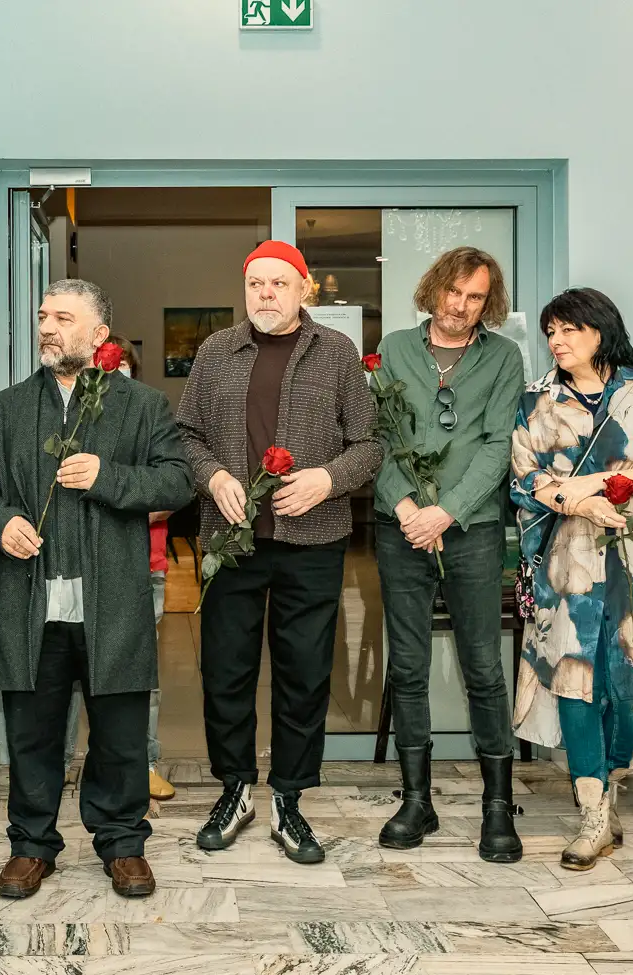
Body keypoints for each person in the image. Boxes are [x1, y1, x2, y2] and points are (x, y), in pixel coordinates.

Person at [0, 280, 191, 899]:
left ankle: (123, 843)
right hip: (29, 598)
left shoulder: (141, 406)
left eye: (63, 318)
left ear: (99, 335)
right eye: (43, 316)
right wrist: (1, 522)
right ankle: (31, 846)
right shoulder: (8, 406)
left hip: (113, 600)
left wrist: (108, 476)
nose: (47, 327)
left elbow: (176, 482)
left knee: (119, 732)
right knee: (32, 731)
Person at [175, 241, 380, 864]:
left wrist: (328, 479)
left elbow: (369, 444)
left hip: (311, 542)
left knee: (304, 672)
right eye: (255, 283)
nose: (265, 294)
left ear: (303, 289)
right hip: (231, 541)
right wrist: (212, 476)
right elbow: (185, 435)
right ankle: (235, 789)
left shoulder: (336, 353)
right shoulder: (216, 351)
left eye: (278, 283)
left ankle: (289, 798)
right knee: (226, 670)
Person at [510, 288, 633, 871]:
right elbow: (524, 479)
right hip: (568, 564)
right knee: (574, 678)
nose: (557, 342)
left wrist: (604, 485)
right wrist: (578, 502)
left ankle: (610, 778)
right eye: (551, 333)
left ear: (600, 330)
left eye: (568, 330)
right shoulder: (538, 399)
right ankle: (592, 811)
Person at [371, 247, 526, 860]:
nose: (460, 306)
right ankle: (417, 801)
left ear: (489, 303)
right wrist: (408, 508)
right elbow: (377, 437)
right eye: (453, 292)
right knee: (407, 666)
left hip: (473, 530)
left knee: (483, 667)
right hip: (400, 528)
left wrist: (448, 511)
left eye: (475, 297)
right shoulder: (394, 349)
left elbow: (497, 445)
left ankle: (497, 807)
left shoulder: (504, 357)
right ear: (435, 289)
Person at [60, 337, 177, 801]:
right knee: (68, 671)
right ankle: (60, 764)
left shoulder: (149, 417)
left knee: (137, 672)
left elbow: (170, 491)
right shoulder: (74, 423)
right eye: (109, 364)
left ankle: (143, 763)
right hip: (79, 565)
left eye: (124, 365)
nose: (116, 372)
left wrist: (119, 499)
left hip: (142, 567)